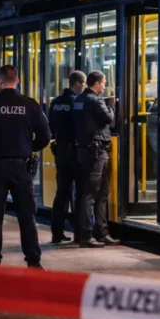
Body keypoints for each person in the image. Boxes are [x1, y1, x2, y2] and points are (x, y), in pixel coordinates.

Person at [0, 65, 51, 268]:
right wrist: (28, 147)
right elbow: (45, 136)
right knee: (27, 217)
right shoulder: (30, 105)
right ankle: (33, 261)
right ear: (18, 81)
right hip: (22, 167)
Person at [73, 70, 119, 248]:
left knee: (99, 193)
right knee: (91, 194)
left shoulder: (78, 100)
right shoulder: (95, 100)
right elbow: (109, 119)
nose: (105, 86)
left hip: (84, 150)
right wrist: (111, 107)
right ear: (97, 83)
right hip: (97, 151)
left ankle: (101, 232)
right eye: (104, 83)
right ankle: (87, 236)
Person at [48, 71, 87, 244]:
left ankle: (57, 232)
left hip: (60, 151)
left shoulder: (55, 102)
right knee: (79, 193)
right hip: (75, 152)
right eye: (84, 84)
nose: (84, 87)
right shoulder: (77, 102)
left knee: (61, 193)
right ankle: (79, 233)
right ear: (78, 84)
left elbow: (50, 126)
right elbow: (81, 125)